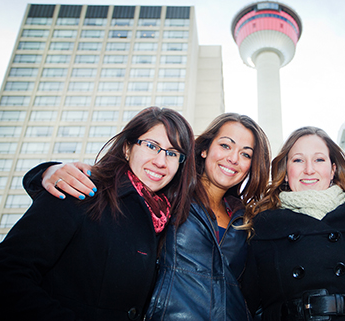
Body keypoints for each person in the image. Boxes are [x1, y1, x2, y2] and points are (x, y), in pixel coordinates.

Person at [23, 113, 271, 320]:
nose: (233, 158)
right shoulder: (170, 196)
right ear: (204, 149)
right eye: (226, 145)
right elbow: (116, 186)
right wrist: (46, 171)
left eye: (246, 154)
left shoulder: (247, 220)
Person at [0, 107, 196, 321]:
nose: (161, 161)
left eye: (172, 153)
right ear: (127, 149)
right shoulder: (81, 188)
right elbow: (2, 278)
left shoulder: (166, 220)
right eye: (151, 146)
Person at [242, 126, 345, 321]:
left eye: (319, 159)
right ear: (286, 173)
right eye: (298, 160)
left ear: (333, 170)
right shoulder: (262, 228)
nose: (309, 169)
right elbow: (247, 305)